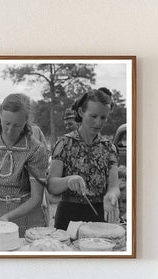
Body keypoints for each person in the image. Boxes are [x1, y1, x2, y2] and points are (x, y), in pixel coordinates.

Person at [0, 93, 48, 237]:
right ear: (0, 116)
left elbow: (36, 199)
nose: (10, 131)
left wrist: (7, 217)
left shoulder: (36, 149)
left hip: (27, 216)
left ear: (26, 121)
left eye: (17, 125)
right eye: (6, 124)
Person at [47, 88, 121, 230]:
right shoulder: (64, 144)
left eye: (103, 118)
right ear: (81, 112)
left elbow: (114, 186)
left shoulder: (109, 148)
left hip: (99, 215)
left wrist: (111, 195)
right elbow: (51, 186)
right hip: (68, 216)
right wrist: (68, 180)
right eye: (93, 116)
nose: (98, 123)